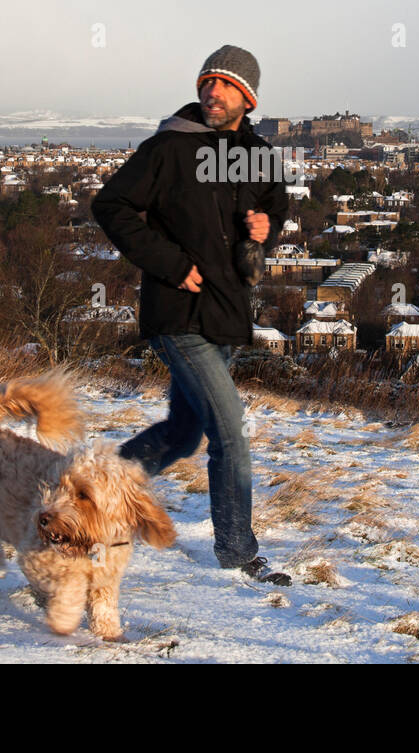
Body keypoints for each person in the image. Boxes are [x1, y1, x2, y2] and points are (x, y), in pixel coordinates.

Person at [90, 45, 292, 585]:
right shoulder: (169, 149)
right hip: (178, 309)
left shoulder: (258, 152)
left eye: (225, 85)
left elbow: (278, 203)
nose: (212, 92)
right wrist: (172, 264)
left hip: (226, 309)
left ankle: (94, 491)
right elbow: (110, 206)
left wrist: (267, 225)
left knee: (183, 433)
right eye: (207, 81)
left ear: (247, 97)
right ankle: (239, 554)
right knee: (231, 434)